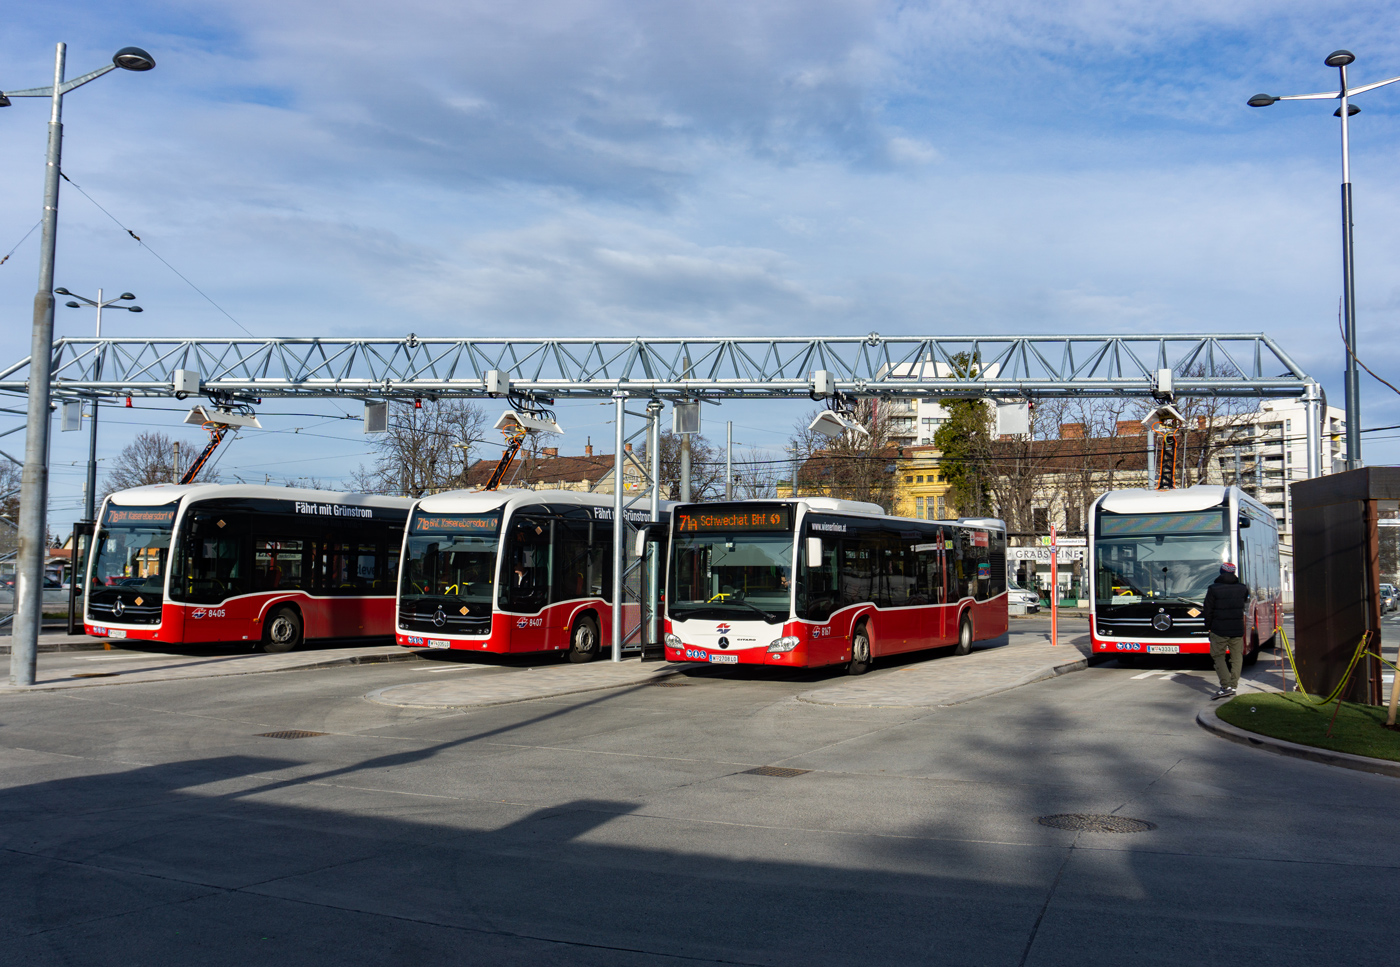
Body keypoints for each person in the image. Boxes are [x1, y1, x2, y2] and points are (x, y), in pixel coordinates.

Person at [1202, 561, 1250, 700]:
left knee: (1218, 657)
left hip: (1219, 629)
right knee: (1236, 658)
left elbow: (1208, 610)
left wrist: (1208, 627)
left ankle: (1226, 686)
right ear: (1233, 573)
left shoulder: (1213, 589)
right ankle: (1233, 686)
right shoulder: (1242, 588)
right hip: (1237, 629)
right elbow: (1244, 606)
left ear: (1221, 572)